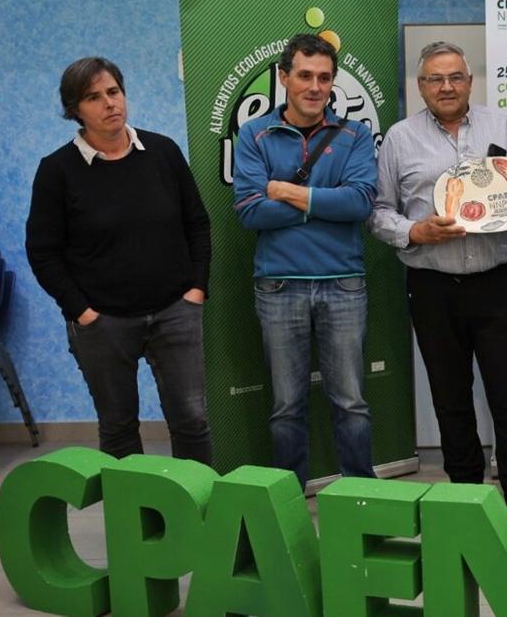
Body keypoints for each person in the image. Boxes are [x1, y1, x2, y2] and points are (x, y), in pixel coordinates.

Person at [369, 41, 507, 535]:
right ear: (421, 86)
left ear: (470, 81)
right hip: (431, 285)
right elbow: (379, 211)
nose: (445, 87)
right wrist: (414, 231)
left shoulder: (504, 128)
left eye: (454, 77)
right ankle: (466, 491)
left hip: (496, 282)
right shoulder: (399, 139)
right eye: (433, 79)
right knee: (449, 396)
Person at [26, 56, 213, 464]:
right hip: (103, 322)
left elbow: (197, 224)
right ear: (75, 109)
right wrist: (82, 311)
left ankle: (199, 520)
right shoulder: (57, 170)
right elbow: (43, 252)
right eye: (93, 97)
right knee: (118, 427)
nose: (109, 103)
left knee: (192, 420)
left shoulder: (162, 152)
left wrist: (197, 289)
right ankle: (138, 525)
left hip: (175, 311)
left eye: (114, 92)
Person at [233, 33, 377, 486]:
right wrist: (322, 205)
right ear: (283, 78)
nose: (315, 87)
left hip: (344, 285)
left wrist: (286, 191)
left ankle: (362, 497)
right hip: (278, 286)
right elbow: (252, 211)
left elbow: (358, 204)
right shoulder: (255, 134)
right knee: (285, 406)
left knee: (351, 402)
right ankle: (290, 500)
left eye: (324, 78)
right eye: (304, 76)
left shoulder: (354, 135)